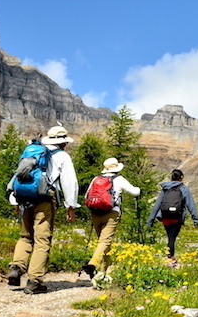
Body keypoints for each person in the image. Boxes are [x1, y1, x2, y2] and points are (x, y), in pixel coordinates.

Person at [7, 125, 79, 294]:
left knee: (25, 236)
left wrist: (15, 201)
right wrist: (71, 206)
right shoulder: (62, 156)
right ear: (62, 142)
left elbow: (18, 175)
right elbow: (70, 183)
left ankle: (16, 267)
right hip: (44, 200)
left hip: (23, 198)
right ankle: (34, 281)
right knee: (42, 239)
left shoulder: (32, 151)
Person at [80, 157, 141, 280]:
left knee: (103, 242)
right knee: (105, 241)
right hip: (111, 213)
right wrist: (139, 189)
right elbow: (135, 192)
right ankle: (93, 264)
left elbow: (87, 195)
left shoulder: (96, 179)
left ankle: (105, 271)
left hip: (95, 213)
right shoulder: (118, 179)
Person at [147, 169, 198, 261]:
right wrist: (195, 219)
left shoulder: (165, 188)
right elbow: (190, 205)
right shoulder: (184, 189)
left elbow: (157, 205)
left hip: (165, 217)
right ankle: (170, 257)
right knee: (172, 238)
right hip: (177, 217)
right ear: (181, 178)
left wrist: (150, 221)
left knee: (170, 236)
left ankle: (169, 255)